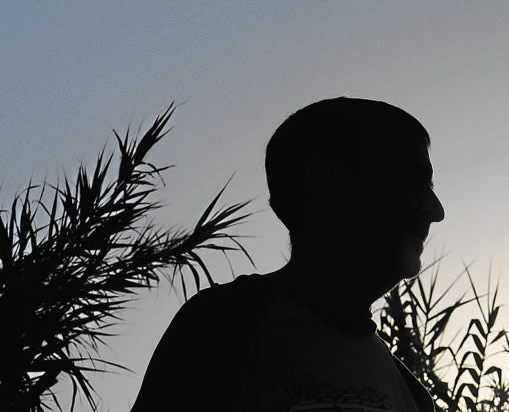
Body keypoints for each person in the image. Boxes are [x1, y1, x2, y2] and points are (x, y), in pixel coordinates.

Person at [132, 97, 445, 412]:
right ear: (330, 184)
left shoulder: (412, 395)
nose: (436, 210)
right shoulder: (223, 327)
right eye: (413, 182)